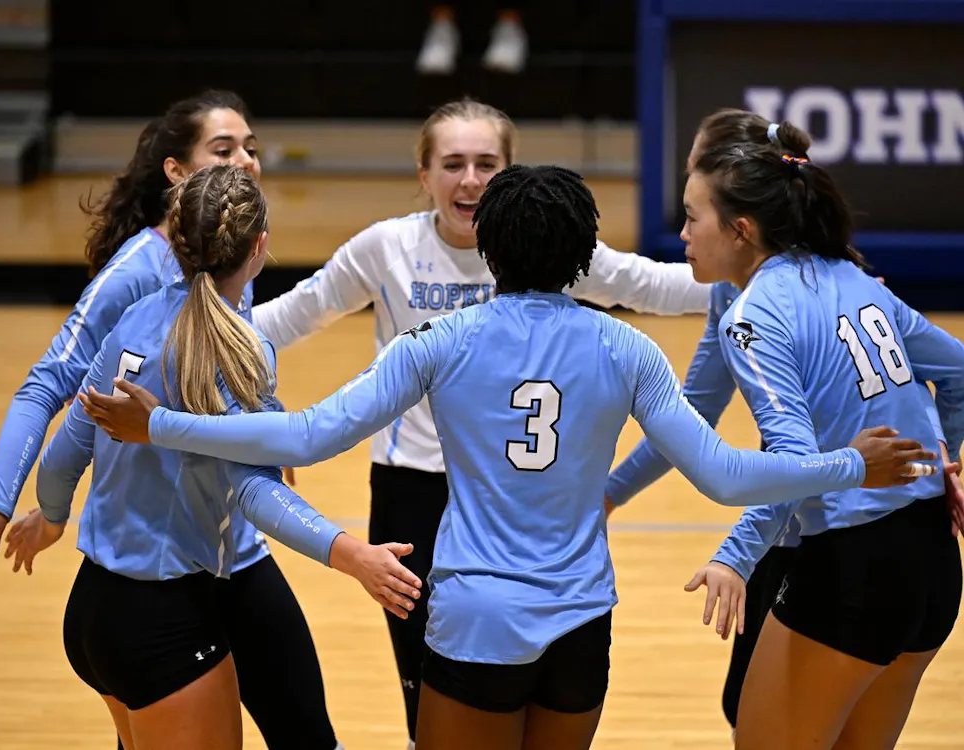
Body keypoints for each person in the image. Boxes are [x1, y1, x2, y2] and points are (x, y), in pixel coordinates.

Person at [80, 164, 933, 750]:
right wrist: (849, 465)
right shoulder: (621, 348)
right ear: (580, 253)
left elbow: (304, 436)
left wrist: (161, 428)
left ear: (488, 247)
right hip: (580, 622)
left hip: (475, 620)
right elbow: (723, 474)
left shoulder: (441, 342)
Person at [249, 95, 711, 749]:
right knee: (428, 683)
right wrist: (196, 340)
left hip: (516, 490)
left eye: (486, 163)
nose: (468, 179)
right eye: (453, 163)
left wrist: (756, 278)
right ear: (424, 174)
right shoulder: (387, 248)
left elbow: (656, 286)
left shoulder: (547, 244)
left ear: (510, 173)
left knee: (504, 678)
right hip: (414, 488)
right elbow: (293, 315)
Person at [0, 90, 344, 750]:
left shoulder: (224, 259)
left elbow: (221, 372)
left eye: (251, 148)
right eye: (224, 150)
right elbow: (48, 389)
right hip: (161, 578)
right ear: (176, 174)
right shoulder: (139, 277)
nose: (247, 162)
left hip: (218, 551)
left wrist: (258, 421)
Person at [3, 164, 421, 750]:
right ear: (260, 247)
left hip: (94, 609)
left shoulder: (135, 318)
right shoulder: (238, 350)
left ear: (175, 241)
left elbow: (66, 448)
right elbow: (255, 491)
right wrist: (353, 556)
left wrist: (48, 517)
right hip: (164, 622)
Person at [603, 107, 955, 734]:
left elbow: (790, 468)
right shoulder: (850, 275)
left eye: (690, 215)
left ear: (740, 227)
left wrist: (734, 556)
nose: (679, 232)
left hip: (851, 562)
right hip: (931, 558)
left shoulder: (755, 312)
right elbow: (956, 371)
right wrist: (946, 463)